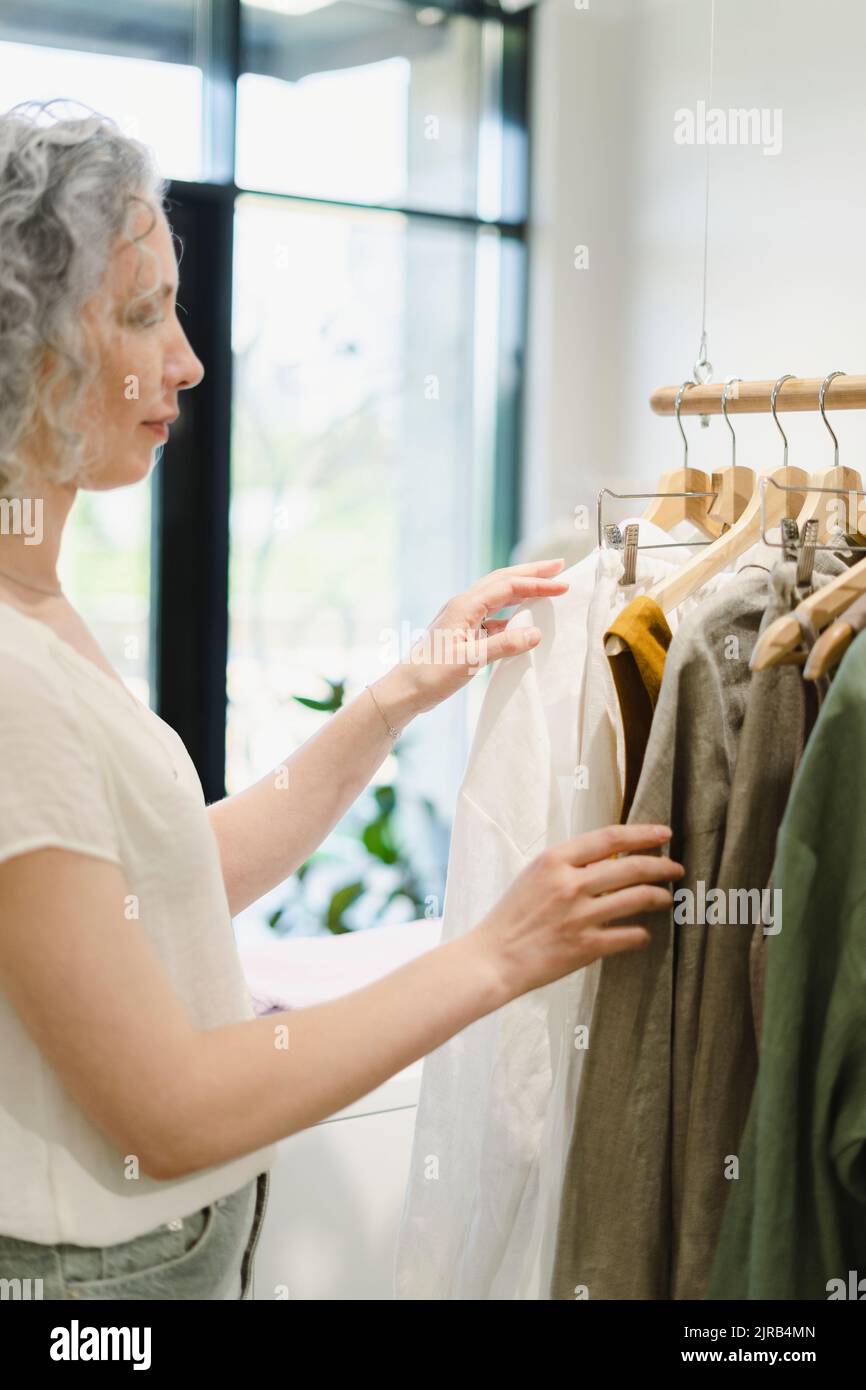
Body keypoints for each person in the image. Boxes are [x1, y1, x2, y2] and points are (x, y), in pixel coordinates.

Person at [0, 101, 683, 1300]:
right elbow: (167, 1107)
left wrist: (395, 696)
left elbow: (167, 881)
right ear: (32, 345)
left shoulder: (36, 606)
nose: (187, 360)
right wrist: (492, 955)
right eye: (142, 311)